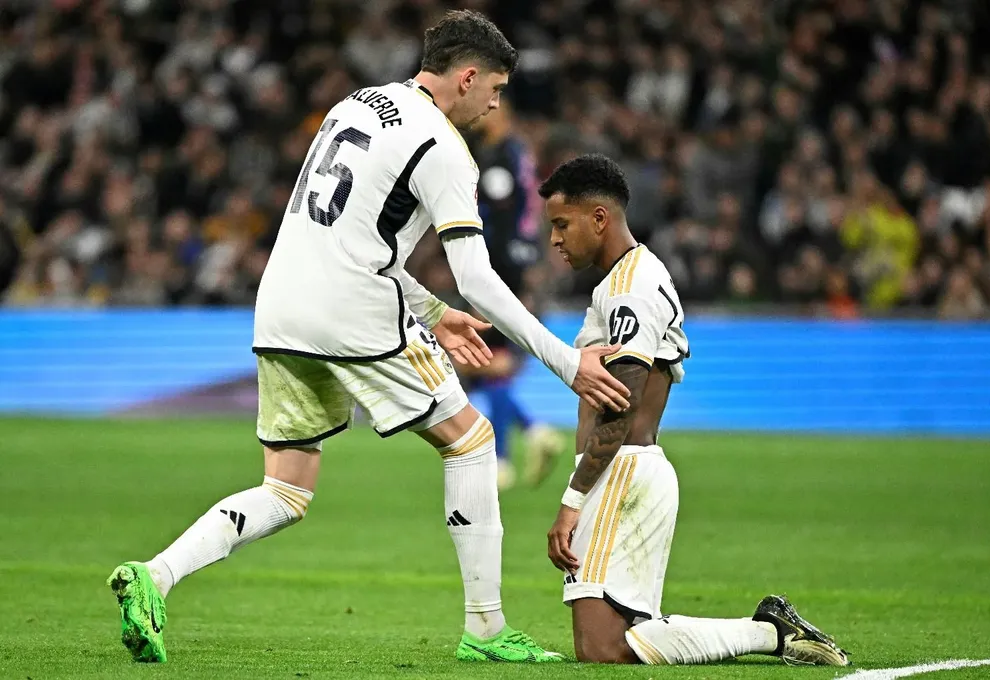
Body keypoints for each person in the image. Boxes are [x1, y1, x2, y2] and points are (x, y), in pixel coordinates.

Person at [106, 11, 630, 665]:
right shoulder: (443, 148)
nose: (496, 103)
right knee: (472, 441)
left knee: (287, 488)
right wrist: (566, 363)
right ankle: (488, 630)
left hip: (281, 308)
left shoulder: (356, 104)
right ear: (467, 77)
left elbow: (351, 239)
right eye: (494, 88)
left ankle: (154, 578)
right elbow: (480, 278)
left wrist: (433, 313)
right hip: (352, 309)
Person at [539, 154, 849, 667]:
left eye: (561, 224)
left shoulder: (629, 289)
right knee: (624, 640)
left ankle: (767, 634)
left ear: (600, 219)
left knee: (601, 649)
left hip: (621, 470)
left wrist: (573, 497)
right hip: (630, 470)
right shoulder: (631, 278)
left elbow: (624, 399)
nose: (554, 239)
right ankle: (770, 631)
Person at [462, 102, 562, 490]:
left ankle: (502, 461)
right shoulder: (519, 154)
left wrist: (483, 283)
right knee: (483, 363)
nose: (478, 113)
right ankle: (533, 431)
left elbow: (499, 223)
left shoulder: (499, 157)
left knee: (485, 362)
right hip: (519, 268)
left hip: (502, 271)